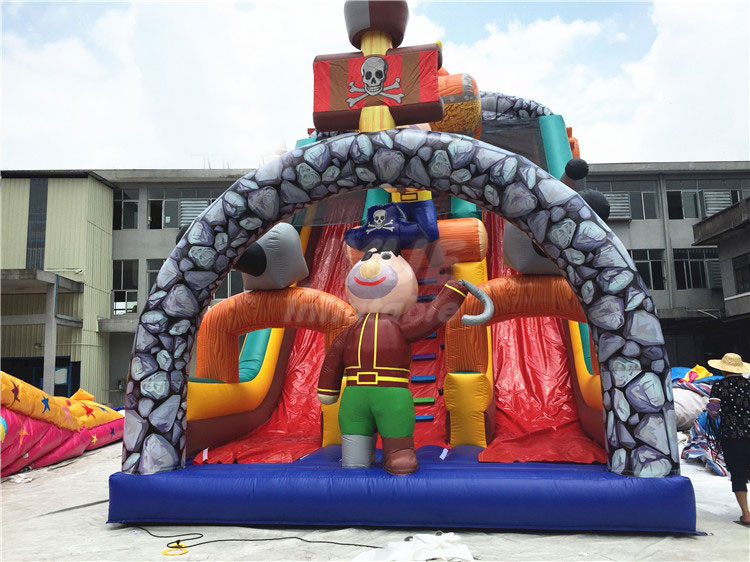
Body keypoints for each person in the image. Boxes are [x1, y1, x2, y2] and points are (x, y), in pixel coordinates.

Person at [707, 352, 750, 526]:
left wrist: (713, 412)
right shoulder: (748, 385)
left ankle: (746, 514)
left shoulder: (719, 385)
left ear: (724, 370)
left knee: (738, 473)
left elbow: (713, 411)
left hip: (731, 436)